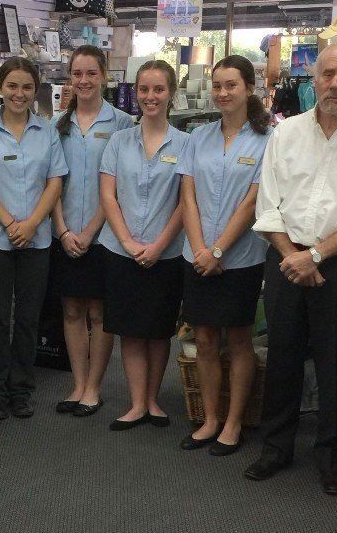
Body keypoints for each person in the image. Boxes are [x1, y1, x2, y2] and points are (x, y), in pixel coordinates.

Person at [244, 43, 337, 495]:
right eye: (327, 73)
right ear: (314, 80)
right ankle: (276, 447)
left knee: (334, 363)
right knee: (282, 354)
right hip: (285, 257)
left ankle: (334, 457)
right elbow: (268, 205)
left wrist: (314, 257)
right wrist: (295, 255)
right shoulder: (286, 132)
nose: (335, 83)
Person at [178, 55, 271, 456]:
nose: (222, 93)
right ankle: (210, 418)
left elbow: (252, 203)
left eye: (231, 85)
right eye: (217, 85)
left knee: (237, 341)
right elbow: (187, 195)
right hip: (196, 255)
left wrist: (218, 250)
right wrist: (201, 249)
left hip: (241, 258)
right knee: (202, 337)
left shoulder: (267, 140)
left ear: (249, 88)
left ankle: (234, 421)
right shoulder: (198, 136)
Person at [0, 56, 69, 420]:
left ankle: (21, 389)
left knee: (29, 317)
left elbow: (55, 181)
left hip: (38, 237)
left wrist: (30, 225)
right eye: (12, 86)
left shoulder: (47, 130)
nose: (19, 93)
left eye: (27, 87)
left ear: (35, 91)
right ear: (0, 88)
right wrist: (10, 222)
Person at [99, 60, 188, 431]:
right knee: (131, 330)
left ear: (171, 94)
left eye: (158, 90)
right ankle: (137, 403)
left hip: (165, 254)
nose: (150, 97)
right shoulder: (119, 141)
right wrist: (128, 242)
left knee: (158, 330)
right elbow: (108, 194)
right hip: (122, 252)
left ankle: (153, 400)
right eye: (144, 90)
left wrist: (157, 245)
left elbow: (187, 202)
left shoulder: (186, 144)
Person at [51, 45, 134, 417]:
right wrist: (63, 229)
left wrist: (89, 232)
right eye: (77, 74)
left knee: (99, 313)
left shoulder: (121, 124)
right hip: (65, 233)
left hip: (103, 236)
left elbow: (116, 187)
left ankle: (94, 388)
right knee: (70, 310)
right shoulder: (58, 125)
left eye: (91, 74)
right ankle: (77, 383)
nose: (83, 81)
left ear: (104, 76)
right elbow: (51, 181)